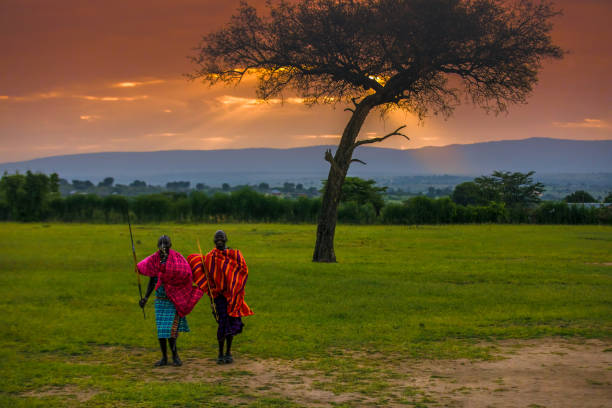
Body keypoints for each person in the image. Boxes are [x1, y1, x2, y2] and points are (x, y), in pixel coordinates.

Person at [187, 230, 253, 364]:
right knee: (223, 324)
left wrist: (235, 287)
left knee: (231, 323)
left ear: (226, 239)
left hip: (233, 297)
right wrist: (212, 300)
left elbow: (243, 270)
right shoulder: (210, 257)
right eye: (217, 238)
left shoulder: (233, 255)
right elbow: (209, 280)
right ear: (214, 241)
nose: (219, 240)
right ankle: (220, 354)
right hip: (218, 297)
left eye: (221, 238)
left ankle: (228, 353)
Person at [138, 235, 204, 366]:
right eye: (161, 245)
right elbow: (152, 280)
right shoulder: (155, 260)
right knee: (161, 331)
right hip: (160, 300)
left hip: (173, 299)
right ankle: (164, 358)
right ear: (158, 247)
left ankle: (175, 356)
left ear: (170, 246)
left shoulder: (177, 260)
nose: (163, 248)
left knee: (171, 330)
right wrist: (145, 298)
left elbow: (186, 275)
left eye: (166, 245)